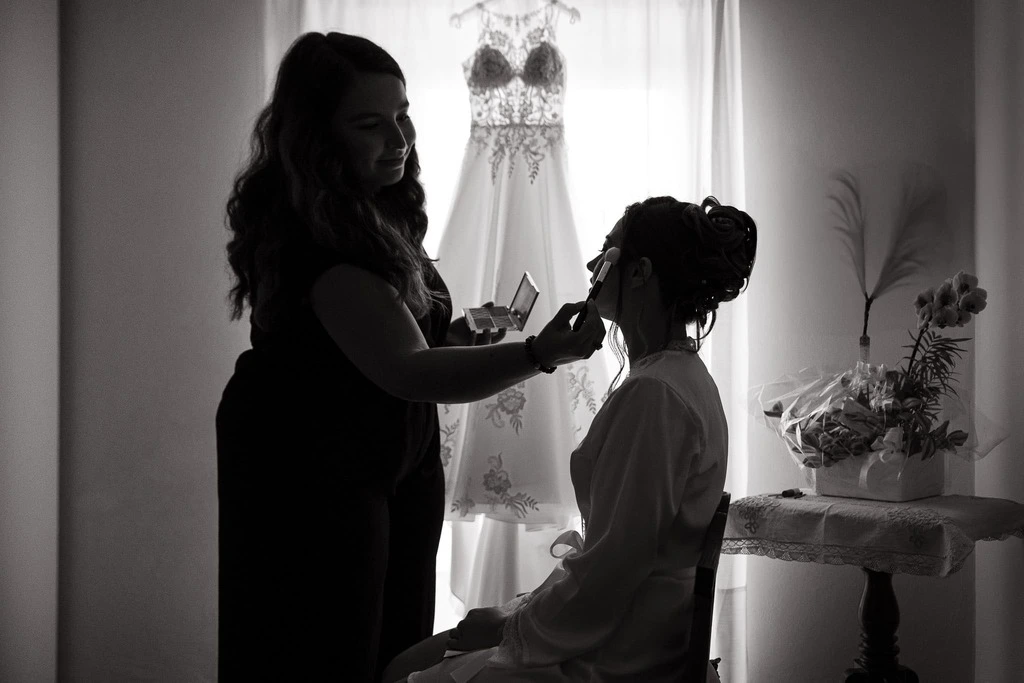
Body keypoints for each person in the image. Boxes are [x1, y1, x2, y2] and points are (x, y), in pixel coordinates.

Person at [215, 32, 606, 682]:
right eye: (371, 124)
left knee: (391, 646)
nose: (399, 138)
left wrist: (452, 335)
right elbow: (406, 370)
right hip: (308, 466)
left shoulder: (373, 211)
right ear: (317, 137)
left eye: (402, 114)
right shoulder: (319, 243)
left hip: (389, 454)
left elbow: (395, 349)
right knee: (323, 649)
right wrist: (540, 351)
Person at [381, 195, 757, 683]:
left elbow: (616, 567)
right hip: (632, 623)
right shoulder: (675, 377)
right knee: (411, 660)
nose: (591, 263)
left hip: (620, 650)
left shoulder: (655, 395)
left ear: (639, 272)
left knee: (402, 672)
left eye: (607, 251)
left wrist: (510, 626)